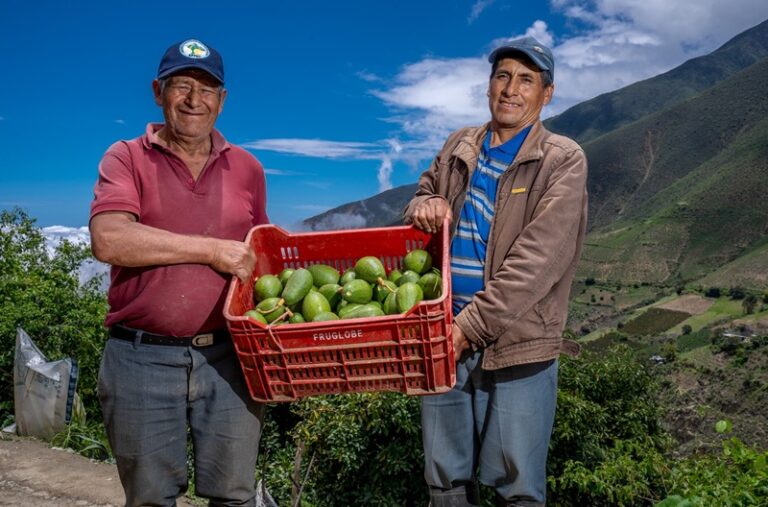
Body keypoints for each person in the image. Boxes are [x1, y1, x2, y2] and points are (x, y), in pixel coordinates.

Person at [404, 36, 588, 507]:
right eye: (502, 76)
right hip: (442, 337)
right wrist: (425, 203)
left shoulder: (561, 159)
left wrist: (469, 326)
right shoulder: (459, 144)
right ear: (489, 85)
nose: (511, 89)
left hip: (519, 346)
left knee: (517, 486)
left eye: (526, 80)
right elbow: (420, 197)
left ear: (546, 94)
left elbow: (539, 260)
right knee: (444, 480)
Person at [89, 38, 268, 507]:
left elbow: (259, 257)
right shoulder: (125, 156)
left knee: (234, 495)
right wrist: (210, 250)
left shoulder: (248, 167)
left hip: (229, 359)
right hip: (140, 359)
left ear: (223, 100)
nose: (194, 100)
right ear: (157, 92)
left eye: (207, 88)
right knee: (150, 498)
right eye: (181, 86)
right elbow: (109, 239)